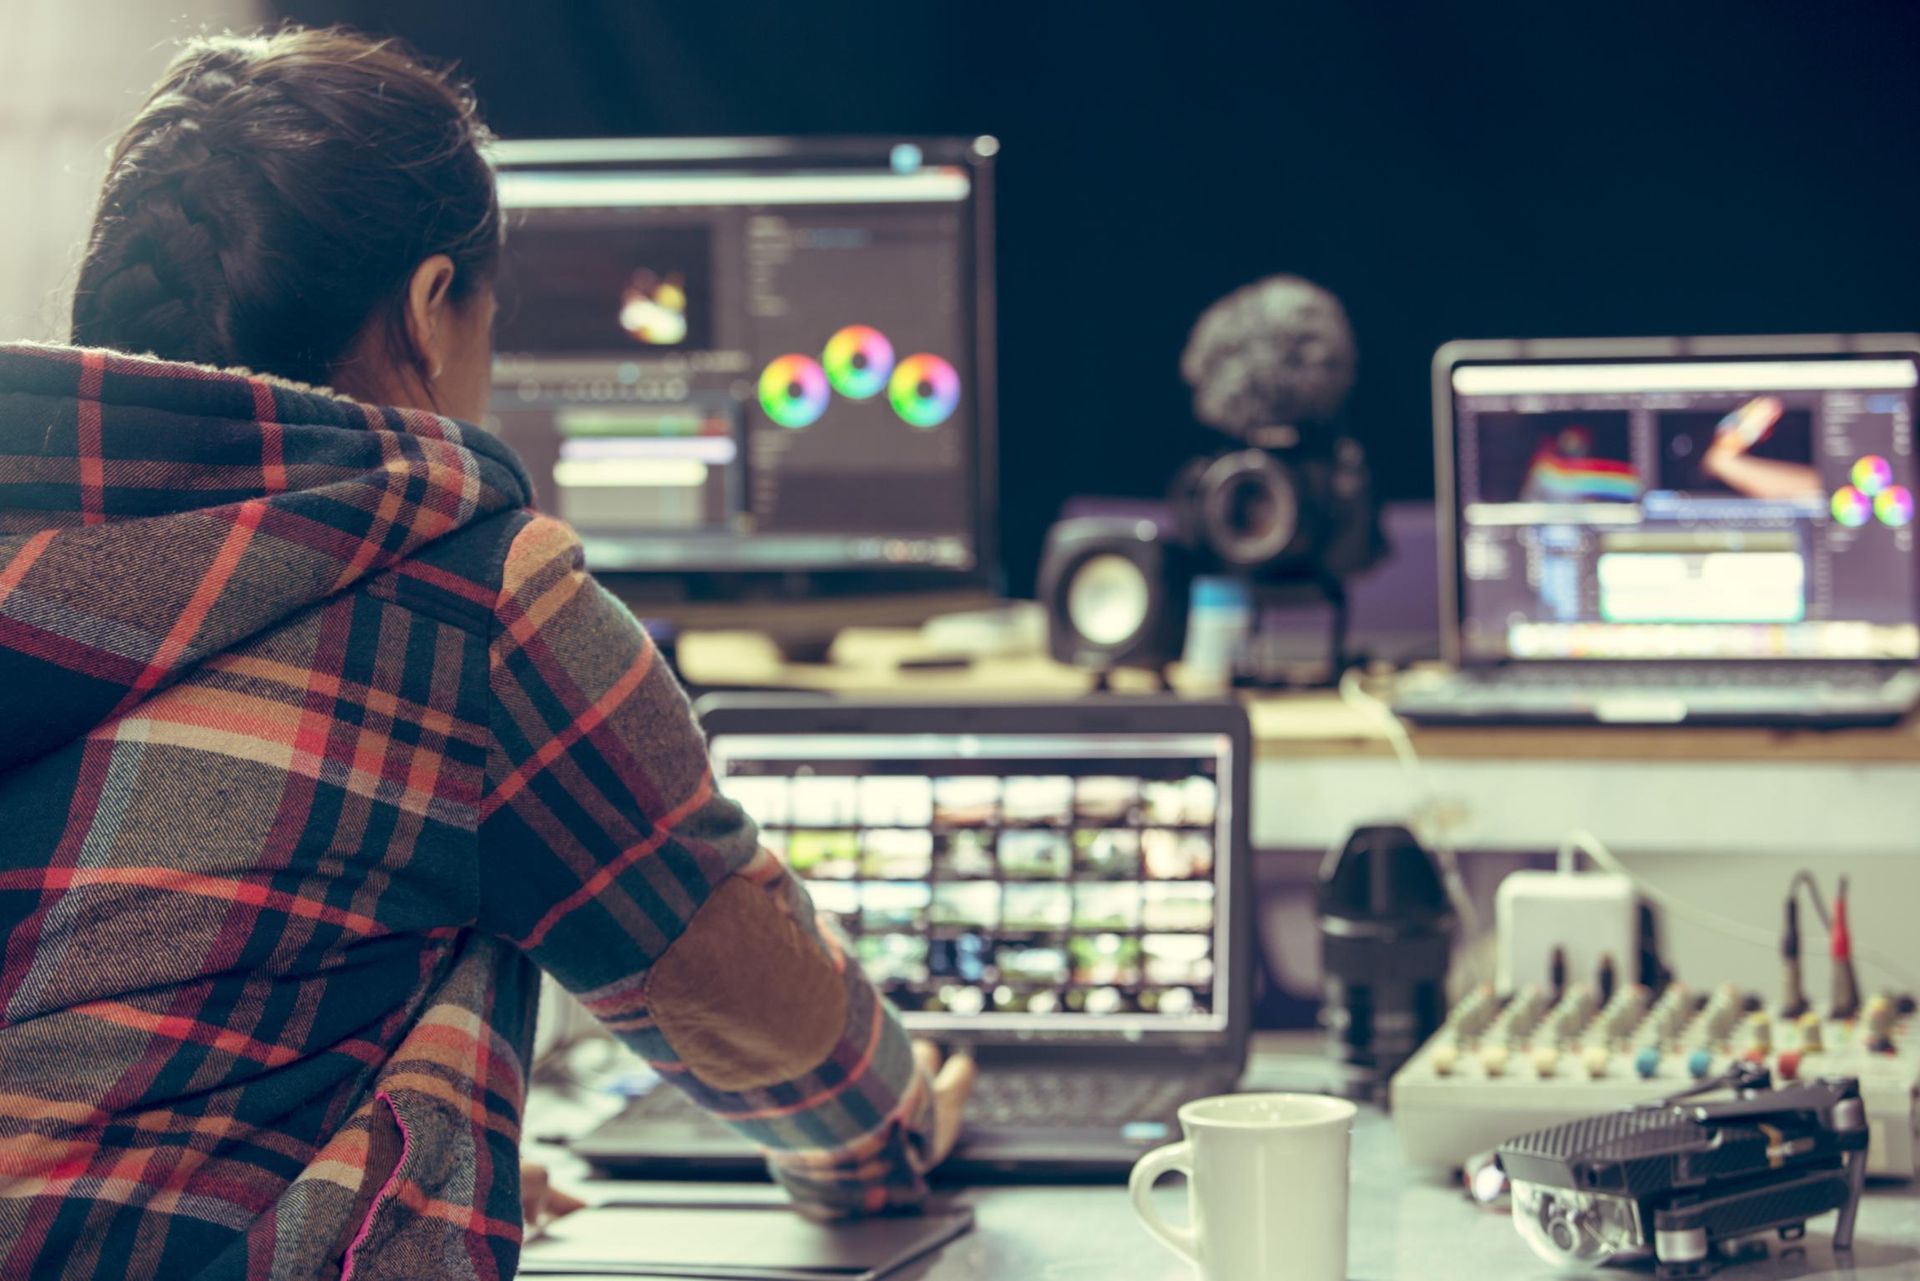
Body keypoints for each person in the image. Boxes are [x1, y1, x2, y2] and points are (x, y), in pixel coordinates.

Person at [0, 26, 971, 1280]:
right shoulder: (466, 595)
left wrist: (431, 1143)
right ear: (427, 312)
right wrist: (885, 1131)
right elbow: (735, 986)